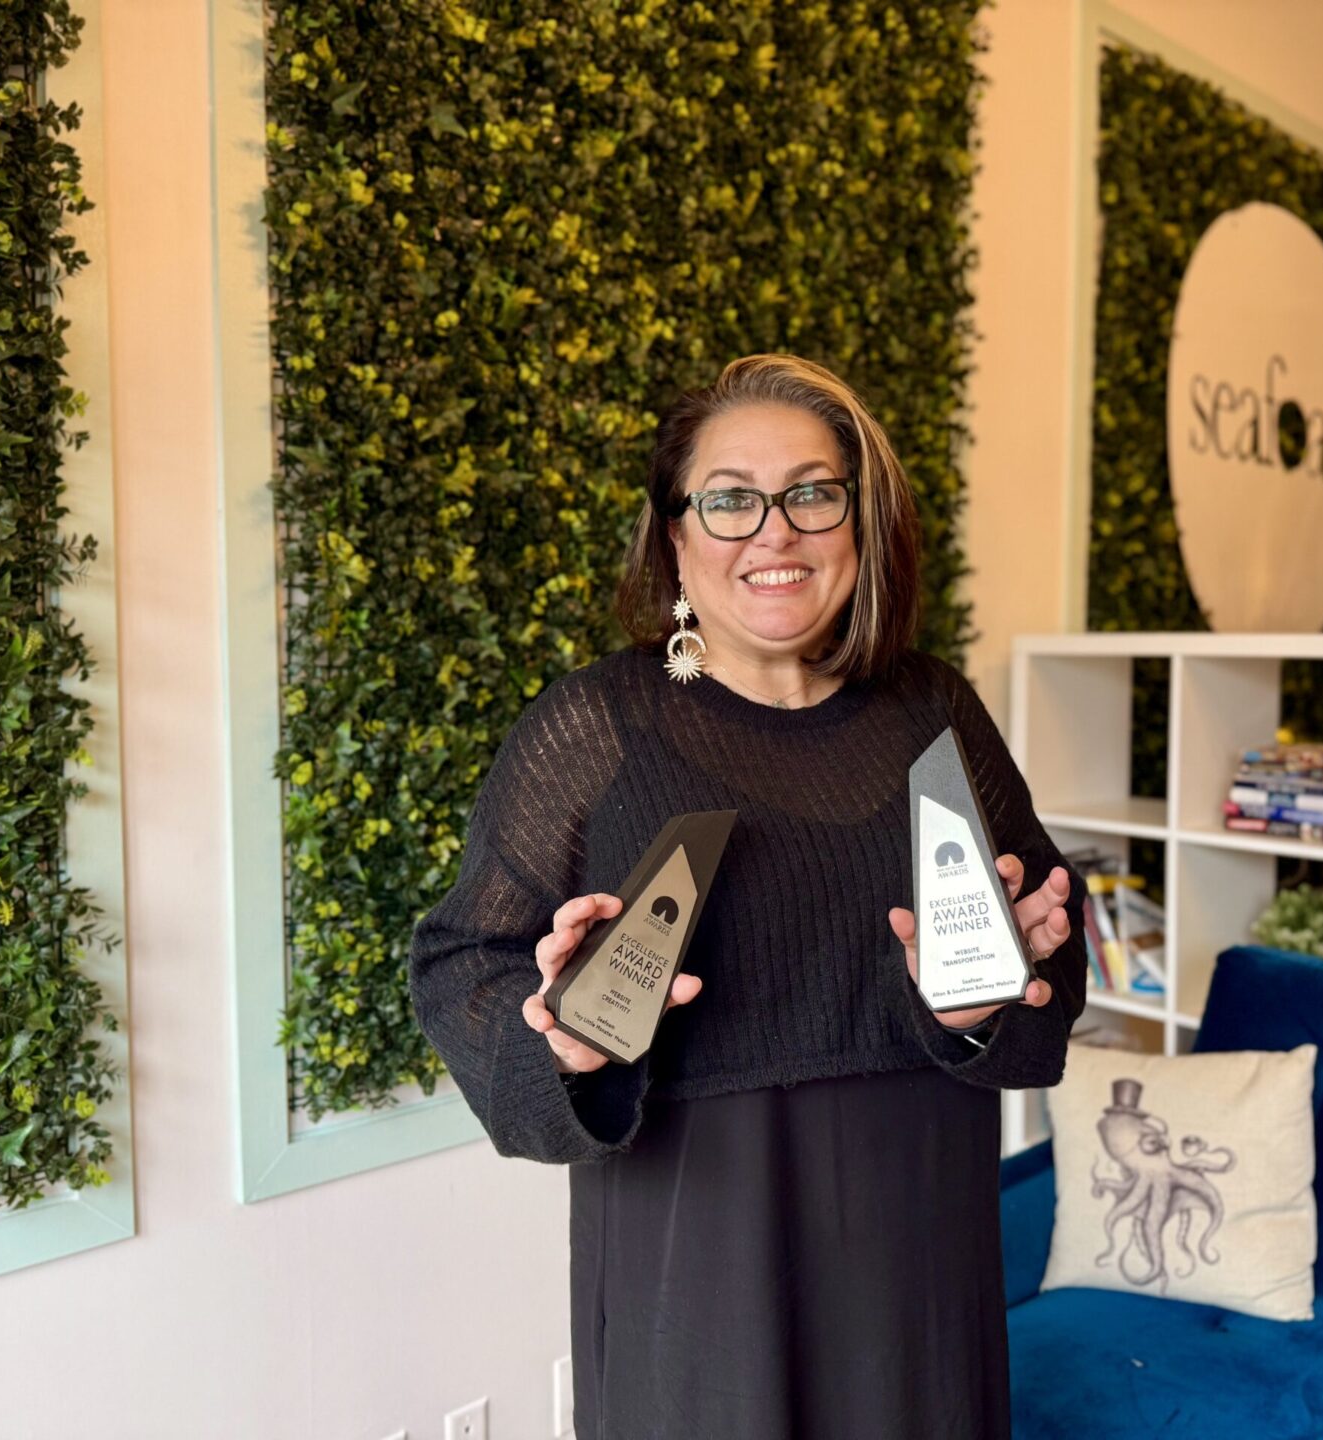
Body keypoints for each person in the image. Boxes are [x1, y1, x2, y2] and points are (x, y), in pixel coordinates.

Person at [407, 353, 1087, 1440]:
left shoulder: (931, 710)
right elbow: (461, 960)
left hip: (917, 1231)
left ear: (859, 526)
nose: (774, 532)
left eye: (812, 494)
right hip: (697, 1247)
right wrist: (563, 1037)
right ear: (675, 535)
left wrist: (996, 989)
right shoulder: (596, 729)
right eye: (730, 499)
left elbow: (1046, 919)